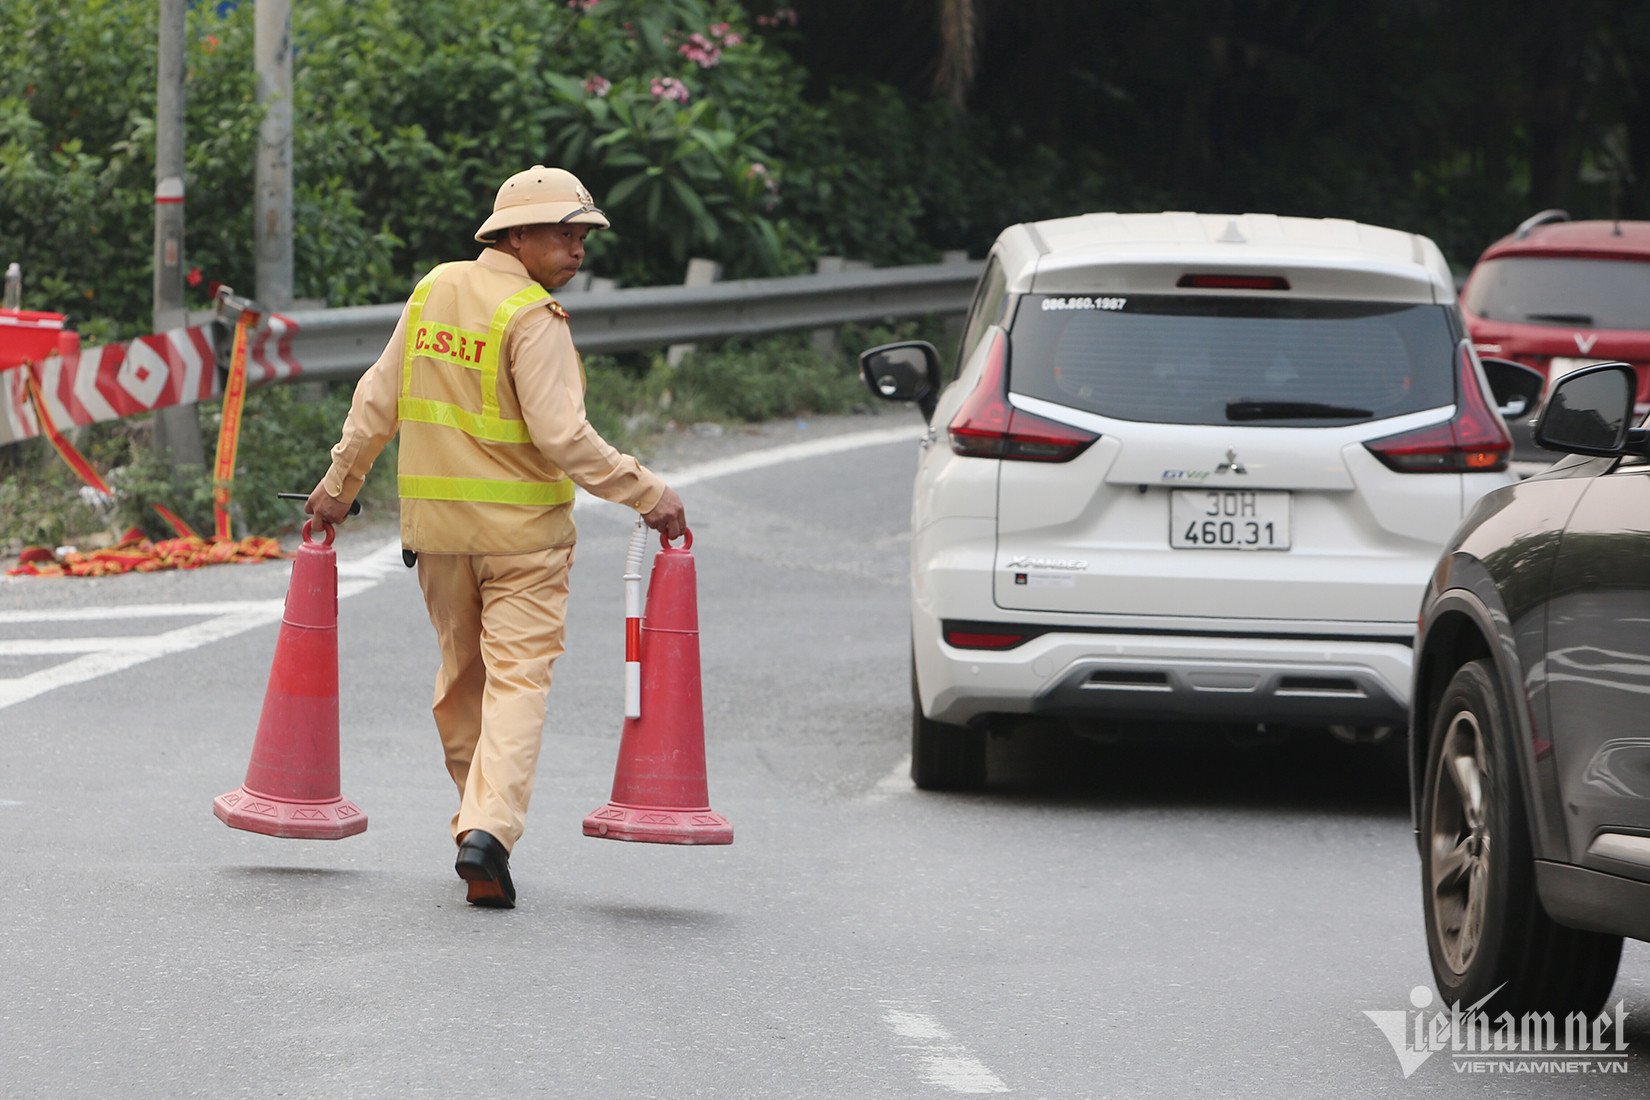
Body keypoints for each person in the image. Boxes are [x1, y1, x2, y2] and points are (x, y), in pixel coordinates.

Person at [306, 165, 686, 909]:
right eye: (562, 232)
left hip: (440, 538)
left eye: (582, 235)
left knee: (462, 690)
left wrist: (337, 487)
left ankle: (477, 835)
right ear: (514, 235)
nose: (577, 247)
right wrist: (650, 493)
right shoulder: (533, 316)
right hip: (523, 544)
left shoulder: (434, 290)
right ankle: (487, 832)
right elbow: (564, 436)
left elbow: (374, 400)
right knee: (517, 686)